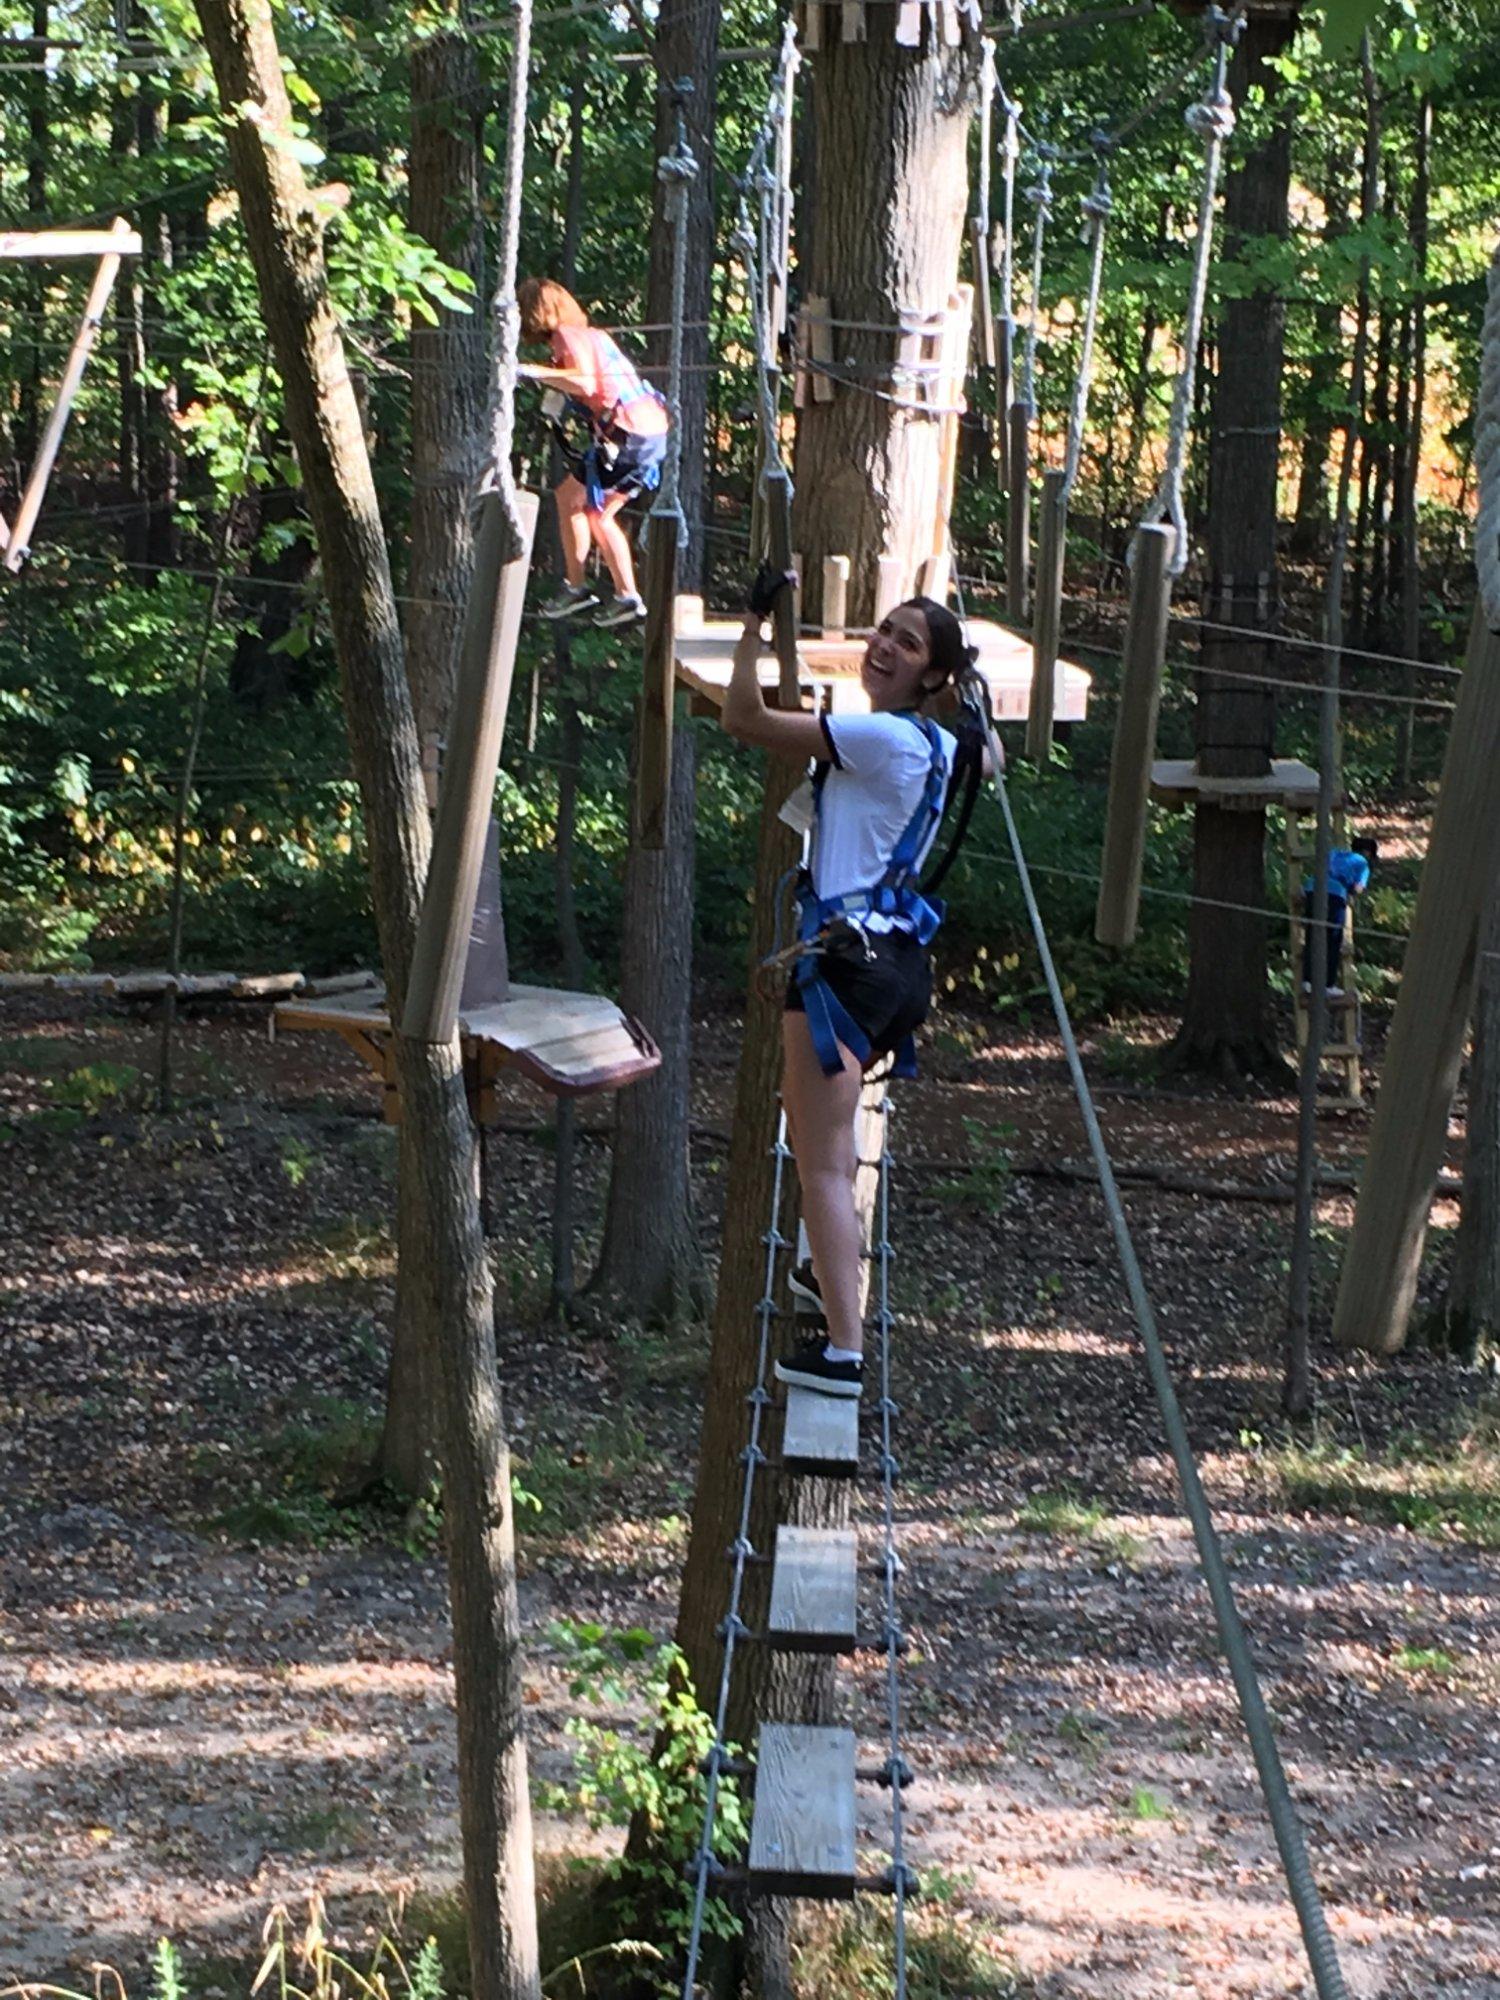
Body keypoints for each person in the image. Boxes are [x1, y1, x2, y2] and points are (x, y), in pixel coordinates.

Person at [720, 568, 994, 1398]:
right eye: (884, 631)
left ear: (931, 676)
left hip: (845, 967)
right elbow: (994, 751)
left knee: (825, 1166)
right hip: (892, 961)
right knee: (816, 1138)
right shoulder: (946, 744)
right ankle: (832, 1283)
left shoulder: (879, 741)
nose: (881, 647)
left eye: (905, 644)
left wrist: (754, 624)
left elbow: (744, 719)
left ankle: (844, 1348)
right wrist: (965, 689)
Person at [516, 277, 669, 629]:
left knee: (570, 498)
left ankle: (578, 586)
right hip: (647, 433)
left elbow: (585, 382)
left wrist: (531, 372)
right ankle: (625, 595)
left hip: (630, 431)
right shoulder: (593, 337)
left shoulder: (569, 336)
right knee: (596, 514)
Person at [1301, 835, 1378, 997]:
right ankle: (1327, 984)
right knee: (1333, 939)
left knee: (1312, 935)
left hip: (1311, 890)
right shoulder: (1363, 864)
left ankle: (1307, 981)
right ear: (1368, 853)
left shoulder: (1334, 853)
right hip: (1334, 895)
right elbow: (1358, 888)